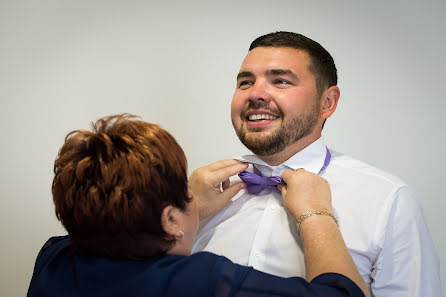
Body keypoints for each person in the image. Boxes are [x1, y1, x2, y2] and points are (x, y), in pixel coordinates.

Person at [191, 32, 441, 297]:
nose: (255, 93)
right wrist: (187, 210)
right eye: (245, 82)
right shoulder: (198, 195)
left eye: (281, 81)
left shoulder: (388, 200)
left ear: (327, 103)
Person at [27, 114, 369, 297]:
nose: (192, 195)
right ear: (169, 217)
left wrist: (173, 215)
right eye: (184, 191)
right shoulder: (201, 281)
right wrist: (316, 213)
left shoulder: (52, 259)